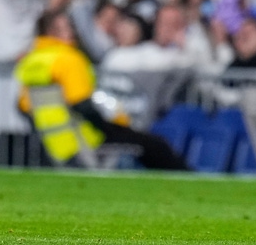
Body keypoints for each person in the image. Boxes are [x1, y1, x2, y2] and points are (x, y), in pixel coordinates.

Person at [15, 10, 185, 170]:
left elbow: (23, 107)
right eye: (67, 27)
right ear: (53, 32)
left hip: (55, 145)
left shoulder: (31, 62)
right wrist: (109, 128)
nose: (73, 32)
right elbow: (82, 104)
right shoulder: (69, 59)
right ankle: (188, 178)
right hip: (86, 139)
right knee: (155, 145)